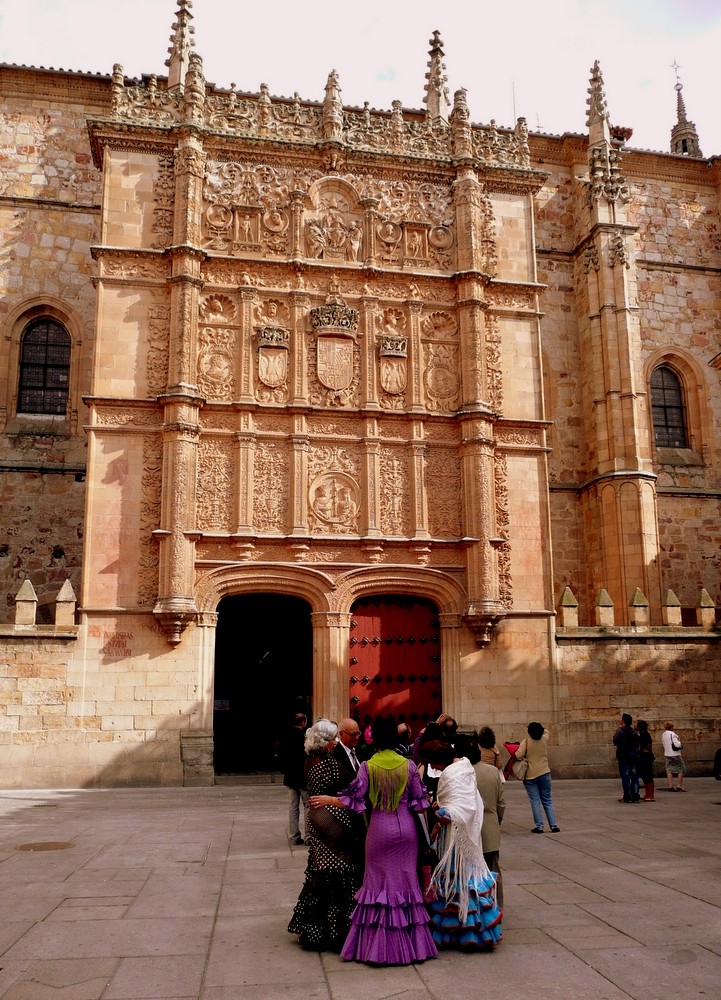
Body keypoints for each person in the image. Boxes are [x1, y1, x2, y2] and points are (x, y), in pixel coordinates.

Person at [309, 715, 437, 966]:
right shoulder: (409, 766)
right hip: (406, 832)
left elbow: (354, 799)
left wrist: (327, 799)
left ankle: (377, 947)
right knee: (406, 884)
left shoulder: (368, 766)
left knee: (377, 886)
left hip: (379, 829)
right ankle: (412, 946)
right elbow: (420, 803)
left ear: (374, 738)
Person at [288, 720, 362, 951]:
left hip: (317, 816)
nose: (335, 743)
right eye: (333, 739)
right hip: (332, 817)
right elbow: (350, 785)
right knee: (339, 870)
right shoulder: (327, 762)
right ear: (328, 741)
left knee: (322, 869)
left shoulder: (311, 759)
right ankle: (335, 930)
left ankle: (316, 927)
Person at [422, 741, 502, 951]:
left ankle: (466, 931)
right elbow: (461, 800)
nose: (435, 769)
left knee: (461, 880)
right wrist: (442, 806)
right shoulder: (464, 767)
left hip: (457, 839)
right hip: (456, 836)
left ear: (440, 761)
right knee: (461, 880)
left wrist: (441, 816)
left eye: (435, 765)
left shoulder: (452, 773)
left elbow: (463, 808)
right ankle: (466, 931)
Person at [473, 754, 506, 908]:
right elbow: (501, 802)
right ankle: (497, 905)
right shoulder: (493, 771)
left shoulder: (463, 773)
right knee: (493, 869)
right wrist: (497, 820)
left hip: (472, 829)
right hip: (490, 826)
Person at [515, 722, 561, 832]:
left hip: (531, 776)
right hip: (544, 772)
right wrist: (541, 728)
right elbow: (547, 731)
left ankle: (539, 826)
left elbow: (518, 755)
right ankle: (553, 825)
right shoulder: (544, 739)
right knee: (547, 800)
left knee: (535, 801)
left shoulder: (526, 742)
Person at [278, 711, 309, 845]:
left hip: (290, 776)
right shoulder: (305, 738)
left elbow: (281, 754)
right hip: (302, 777)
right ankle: (309, 837)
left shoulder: (285, 736)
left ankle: (294, 835)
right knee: (308, 806)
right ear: (303, 722)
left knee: (293, 807)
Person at [613, 713, 641, 803]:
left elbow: (615, 741)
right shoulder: (634, 732)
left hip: (624, 757)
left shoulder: (620, 731)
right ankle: (635, 796)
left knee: (626, 777)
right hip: (634, 757)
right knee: (635, 777)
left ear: (623, 721)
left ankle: (628, 797)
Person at [333, 717, 361, 782]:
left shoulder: (361, 751)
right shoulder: (335, 755)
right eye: (353, 734)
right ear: (341, 734)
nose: (357, 738)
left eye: (358, 733)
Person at [661, 721, 686, 791]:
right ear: (672, 727)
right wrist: (679, 742)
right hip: (675, 754)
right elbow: (677, 744)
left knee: (669, 769)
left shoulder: (664, 734)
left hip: (667, 754)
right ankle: (679, 785)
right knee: (681, 768)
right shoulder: (673, 734)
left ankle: (670, 786)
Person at [636, 719, 656, 801]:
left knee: (648, 776)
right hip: (644, 757)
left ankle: (651, 795)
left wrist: (646, 750)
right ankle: (647, 793)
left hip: (646, 757)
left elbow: (649, 744)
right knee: (645, 776)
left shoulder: (644, 735)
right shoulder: (643, 734)